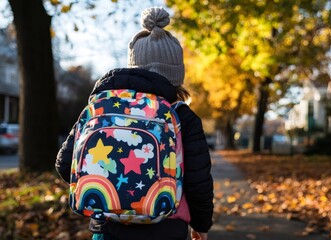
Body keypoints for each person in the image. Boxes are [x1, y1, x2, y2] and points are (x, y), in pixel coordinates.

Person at [55, 7, 213, 240]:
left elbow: (65, 164)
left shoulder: (99, 107)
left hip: (108, 226)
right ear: (176, 76)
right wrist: (202, 225)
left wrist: (116, 193)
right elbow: (198, 182)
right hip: (166, 228)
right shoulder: (182, 116)